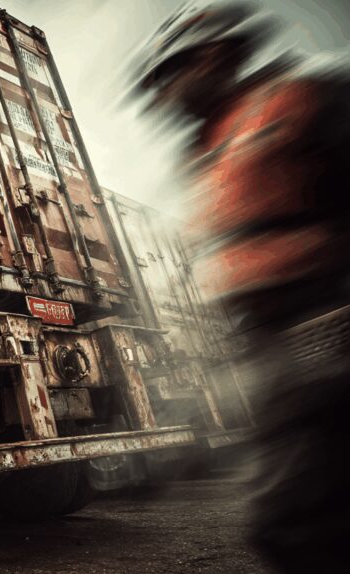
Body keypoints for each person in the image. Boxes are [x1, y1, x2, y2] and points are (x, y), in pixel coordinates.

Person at [132, 4, 350, 571]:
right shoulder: (206, 149)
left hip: (324, 317)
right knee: (299, 515)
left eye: (173, 74)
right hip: (270, 338)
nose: (167, 95)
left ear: (214, 55)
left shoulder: (299, 96)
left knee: (293, 520)